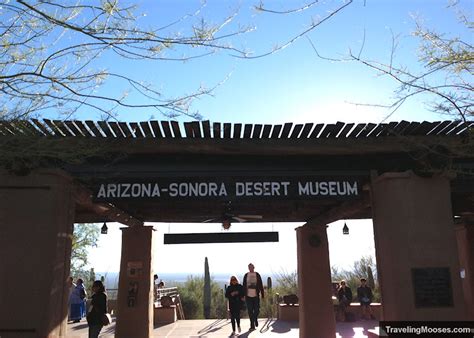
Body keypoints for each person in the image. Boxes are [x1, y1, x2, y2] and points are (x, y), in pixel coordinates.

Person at [242, 263, 264, 331]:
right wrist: (243, 295)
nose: (250, 268)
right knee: (250, 311)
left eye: (251, 267)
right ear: (248, 268)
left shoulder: (257, 274)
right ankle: (252, 325)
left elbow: (260, 284)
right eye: (249, 267)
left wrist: (262, 294)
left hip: (256, 295)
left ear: (254, 267)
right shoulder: (246, 275)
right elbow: (244, 285)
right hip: (248, 296)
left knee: (257, 310)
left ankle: (255, 319)